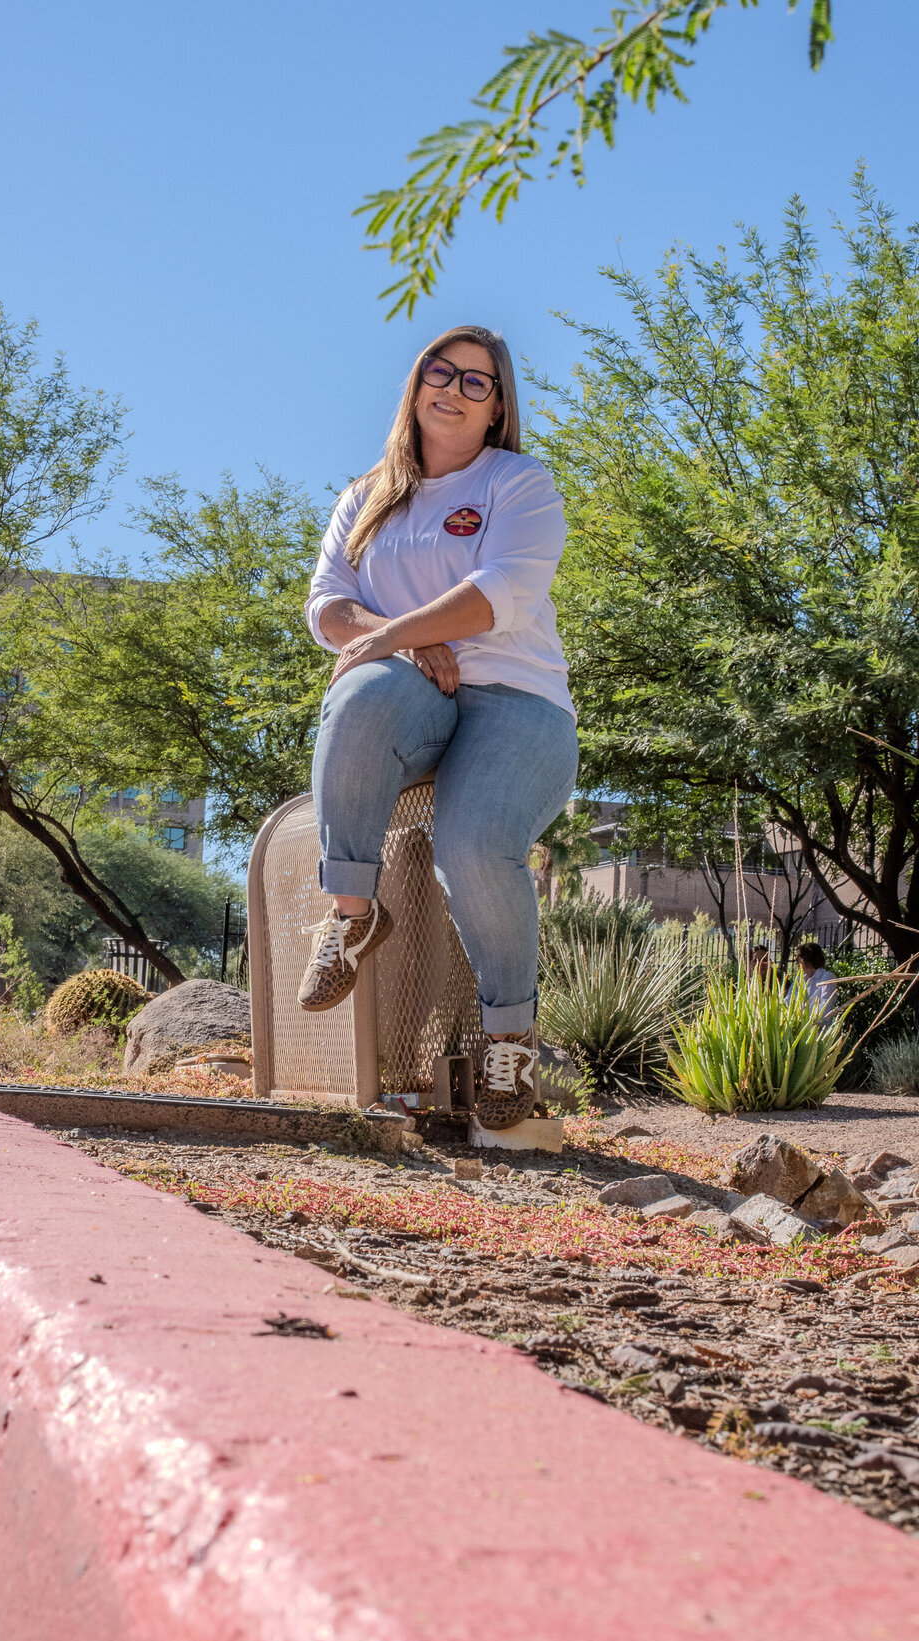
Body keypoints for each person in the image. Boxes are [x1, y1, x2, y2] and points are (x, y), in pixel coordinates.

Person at [297, 325, 578, 1129]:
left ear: (497, 411)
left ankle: (509, 1043)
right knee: (356, 696)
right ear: (416, 385)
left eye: (476, 382)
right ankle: (353, 915)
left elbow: (501, 595)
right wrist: (398, 645)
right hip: (416, 689)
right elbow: (327, 605)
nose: (452, 388)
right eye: (439, 371)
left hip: (516, 704)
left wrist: (394, 633)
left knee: (470, 846)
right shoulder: (366, 495)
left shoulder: (518, 484)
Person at [795, 941, 839, 1025]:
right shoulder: (799, 980)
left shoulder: (827, 977)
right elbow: (788, 1000)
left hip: (818, 1029)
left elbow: (826, 1005)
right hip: (800, 1028)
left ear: (808, 958)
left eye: (798, 957)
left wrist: (811, 1022)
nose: (796, 961)